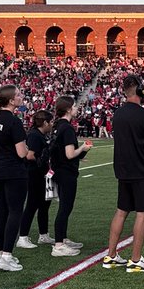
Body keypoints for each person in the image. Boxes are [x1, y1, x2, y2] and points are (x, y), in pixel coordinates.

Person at [103, 74, 144, 273]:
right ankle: (136, 259)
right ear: (141, 92)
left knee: (122, 210)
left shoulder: (118, 114)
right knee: (143, 212)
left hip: (123, 169)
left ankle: (111, 255)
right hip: (142, 169)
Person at [0, 83, 28, 272]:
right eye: (18, 94)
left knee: (1, 211)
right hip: (13, 172)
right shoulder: (13, 121)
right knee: (15, 212)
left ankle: (2, 253)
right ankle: (6, 255)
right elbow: (21, 153)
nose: (21, 96)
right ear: (11, 100)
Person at [50, 95, 92, 257]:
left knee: (65, 207)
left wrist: (80, 154)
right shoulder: (66, 127)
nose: (76, 109)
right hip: (65, 172)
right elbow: (69, 154)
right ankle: (59, 245)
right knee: (65, 207)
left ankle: (62, 238)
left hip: (58, 170)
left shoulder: (58, 125)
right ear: (68, 109)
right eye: (74, 106)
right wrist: (82, 148)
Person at [15, 109, 55, 250]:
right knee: (32, 205)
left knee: (44, 204)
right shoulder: (34, 135)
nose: (51, 124)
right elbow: (29, 155)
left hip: (41, 174)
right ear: (44, 122)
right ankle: (23, 237)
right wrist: (42, 160)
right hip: (34, 174)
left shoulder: (40, 135)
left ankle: (43, 234)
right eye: (50, 122)